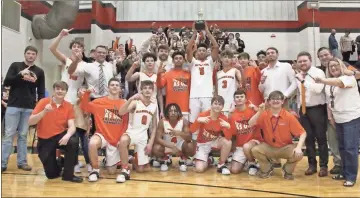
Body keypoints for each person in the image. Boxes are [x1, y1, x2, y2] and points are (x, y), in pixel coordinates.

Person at [315, 58, 360, 187]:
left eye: (336, 65)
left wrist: (322, 80)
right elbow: (330, 103)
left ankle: (351, 177)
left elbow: (339, 82)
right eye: (331, 66)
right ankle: (344, 173)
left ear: (342, 66)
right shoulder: (329, 85)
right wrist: (331, 118)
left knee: (350, 149)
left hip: (351, 118)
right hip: (338, 119)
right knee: (342, 148)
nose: (333, 68)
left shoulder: (348, 78)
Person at [2, 46, 45, 172]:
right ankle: (2, 163)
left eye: (33, 54)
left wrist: (39, 106)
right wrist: (19, 75)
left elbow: (41, 91)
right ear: (25, 54)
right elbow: (6, 83)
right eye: (28, 53)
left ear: (36, 56)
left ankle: (22, 162)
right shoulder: (16, 66)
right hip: (13, 105)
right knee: (9, 135)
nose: (30, 56)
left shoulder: (39, 71)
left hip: (29, 107)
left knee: (23, 135)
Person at [28, 81, 82, 183]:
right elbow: (30, 121)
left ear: (66, 92)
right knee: (51, 175)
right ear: (54, 91)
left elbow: (72, 126)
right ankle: (60, 162)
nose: (60, 91)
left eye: (62, 89)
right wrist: (44, 112)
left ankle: (68, 175)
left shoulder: (68, 106)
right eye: (58, 89)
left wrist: (68, 135)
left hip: (60, 136)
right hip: (45, 138)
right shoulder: (43, 102)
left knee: (73, 141)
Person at [79, 78, 129, 182]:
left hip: (117, 138)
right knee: (92, 143)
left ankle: (111, 159)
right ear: (108, 87)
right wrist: (87, 93)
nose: (114, 86)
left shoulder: (125, 103)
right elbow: (85, 107)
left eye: (117, 85)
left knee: (111, 171)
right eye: (112, 85)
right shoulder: (99, 102)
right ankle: (95, 169)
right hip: (102, 136)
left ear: (120, 89)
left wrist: (121, 138)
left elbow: (126, 122)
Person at [249, 91, 307, 180]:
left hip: (285, 147)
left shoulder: (289, 116)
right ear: (269, 101)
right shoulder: (264, 114)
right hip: (269, 146)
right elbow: (250, 123)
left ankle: (287, 170)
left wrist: (299, 147)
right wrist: (260, 111)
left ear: (282, 101)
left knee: (298, 154)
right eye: (273, 99)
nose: (275, 101)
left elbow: (303, 133)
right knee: (255, 150)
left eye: (278, 99)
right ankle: (267, 169)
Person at [295, 51, 329, 177]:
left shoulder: (318, 72)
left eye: (305, 61)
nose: (302, 63)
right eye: (300, 61)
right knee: (307, 139)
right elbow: (299, 93)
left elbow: (318, 89)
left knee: (321, 138)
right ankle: (312, 165)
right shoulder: (298, 75)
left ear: (310, 60)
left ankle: (324, 166)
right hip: (304, 110)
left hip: (317, 109)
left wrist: (304, 81)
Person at [117, 80, 158, 183]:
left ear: (153, 90)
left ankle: (131, 158)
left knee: (141, 170)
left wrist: (150, 143)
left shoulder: (154, 106)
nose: (147, 90)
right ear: (141, 90)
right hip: (132, 132)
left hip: (143, 136)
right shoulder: (136, 102)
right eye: (145, 88)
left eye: (149, 88)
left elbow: (154, 128)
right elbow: (121, 112)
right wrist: (130, 98)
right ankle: (125, 169)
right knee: (123, 141)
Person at [186, 21, 219, 139]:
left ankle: (207, 146)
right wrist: (194, 33)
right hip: (194, 96)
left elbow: (216, 47)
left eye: (204, 50)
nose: (201, 52)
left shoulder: (210, 62)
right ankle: (195, 145)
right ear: (197, 52)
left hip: (207, 96)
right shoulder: (193, 62)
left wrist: (207, 32)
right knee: (194, 121)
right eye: (199, 50)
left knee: (208, 121)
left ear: (207, 52)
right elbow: (188, 49)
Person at [190, 95, 232, 175]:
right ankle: (209, 160)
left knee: (228, 142)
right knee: (199, 169)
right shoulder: (203, 115)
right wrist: (198, 120)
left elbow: (229, 138)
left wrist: (228, 127)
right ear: (211, 104)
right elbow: (192, 130)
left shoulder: (223, 118)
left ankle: (221, 164)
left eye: (220, 104)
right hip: (202, 144)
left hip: (214, 142)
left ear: (223, 107)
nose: (217, 106)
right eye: (215, 103)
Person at [316, 47, 342, 174]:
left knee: (346, 139)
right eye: (321, 56)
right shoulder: (319, 71)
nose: (324, 57)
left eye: (326, 54)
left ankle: (348, 164)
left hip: (346, 111)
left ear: (331, 54)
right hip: (328, 109)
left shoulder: (343, 67)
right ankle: (338, 163)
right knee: (332, 139)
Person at [152, 103, 196, 172]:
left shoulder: (184, 121)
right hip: (167, 145)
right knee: (156, 148)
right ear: (167, 113)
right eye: (170, 111)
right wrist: (171, 146)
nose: (173, 113)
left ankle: (183, 158)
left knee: (190, 146)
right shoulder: (162, 122)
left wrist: (179, 133)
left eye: (175, 111)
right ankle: (165, 158)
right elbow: (158, 138)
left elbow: (189, 138)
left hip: (180, 146)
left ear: (179, 112)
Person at [229, 90, 263, 175]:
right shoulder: (232, 115)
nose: (239, 99)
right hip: (240, 146)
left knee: (246, 146)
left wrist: (258, 109)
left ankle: (252, 164)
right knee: (234, 170)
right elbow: (233, 135)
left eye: (241, 97)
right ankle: (246, 160)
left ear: (245, 99)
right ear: (234, 100)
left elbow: (265, 118)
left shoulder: (252, 110)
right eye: (237, 97)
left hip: (255, 142)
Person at [49, 28, 85, 105]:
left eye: (78, 47)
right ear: (71, 49)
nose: (76, 48)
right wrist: (61, 35)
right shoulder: (66, 60)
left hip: (76, 96)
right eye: (74, 46)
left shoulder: (86, 64)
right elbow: (52, 48)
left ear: (82, 49)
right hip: (63, 94)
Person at [157, 51, 191, 120]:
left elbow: (191, 90)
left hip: (185, 108)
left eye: (180, 58)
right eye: (176, 58)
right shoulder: (167, 74)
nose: (178, 60)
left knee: (185, 130)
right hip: (171, 109)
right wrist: (158, 74)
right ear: (172, 61)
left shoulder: (188, 74)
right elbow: (160, 85)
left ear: (184, 60)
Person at [216, 50, 243, 117]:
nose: (227, 59)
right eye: (225, 57)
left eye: (229, 57)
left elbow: (242, 81)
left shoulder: (235, 71)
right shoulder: (217, 73)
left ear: (232, 59)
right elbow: (216, 89)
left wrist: (241, 69)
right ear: (221, 59)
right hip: (220, 103)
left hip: (232, 102)